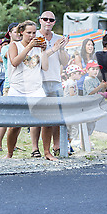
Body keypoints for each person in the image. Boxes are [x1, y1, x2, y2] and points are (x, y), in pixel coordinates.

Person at [6, 20, 52, 160]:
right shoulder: (14, 45)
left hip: (36, 89)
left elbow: (45, 67)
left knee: (46, 120)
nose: (32, 36)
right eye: (28, 33)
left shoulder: (38, 47)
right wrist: (29, 47)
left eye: (34, 33)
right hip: (17, 88)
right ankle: (9, 153)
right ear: (21, 33)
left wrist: (43, 51)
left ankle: (47, 152)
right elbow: (15, 62)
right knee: (15, 126)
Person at [30, 11, 70, 159]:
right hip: (38, 81)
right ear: (40, 20)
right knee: (37, 117)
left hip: (55, 80)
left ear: (54, 22)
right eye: (45, 19)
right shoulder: (34, 36)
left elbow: (65, 63)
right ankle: (35, 148)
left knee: (56, 117)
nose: (48, 21)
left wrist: (61, 48)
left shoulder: (59, 38)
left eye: (51, 20)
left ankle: (56, 145)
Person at [0, 23, 19, 153]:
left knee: (18, 117)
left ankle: (12, 144)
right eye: (15, 31)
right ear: (9, 33)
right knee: (5, 116)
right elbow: (8, 56)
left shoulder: (21, 46)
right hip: (9, 85)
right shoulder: (6, 48)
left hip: (20, 85)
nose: (18, 34)